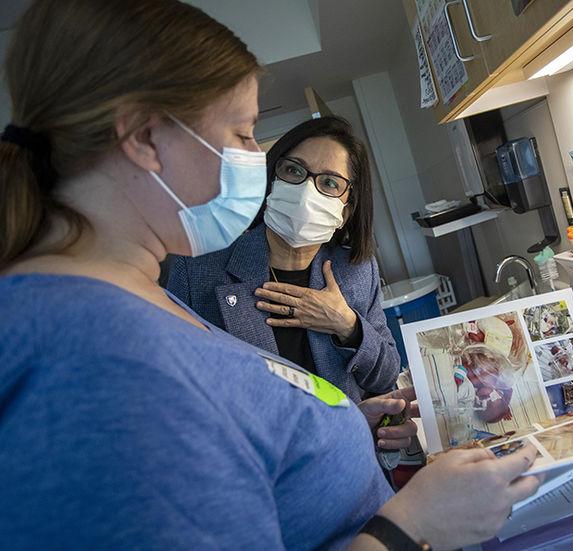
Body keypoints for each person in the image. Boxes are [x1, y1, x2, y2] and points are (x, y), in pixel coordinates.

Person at [0, 1, 540, 550]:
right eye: (242, 132)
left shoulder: (123, 296)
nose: (254, 159)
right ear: (144, 137)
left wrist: (345, 418)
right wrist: (413, 525)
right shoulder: (93, 357)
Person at [165, 116, 400, 402]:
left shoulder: (356, 270)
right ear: (272, 180)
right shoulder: (197, 269)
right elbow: (175, 383)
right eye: (293, 170)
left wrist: (347, 326)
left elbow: (386, 374)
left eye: (329, 182)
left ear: (347, 209)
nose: (306, 192)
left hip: (344, 440)